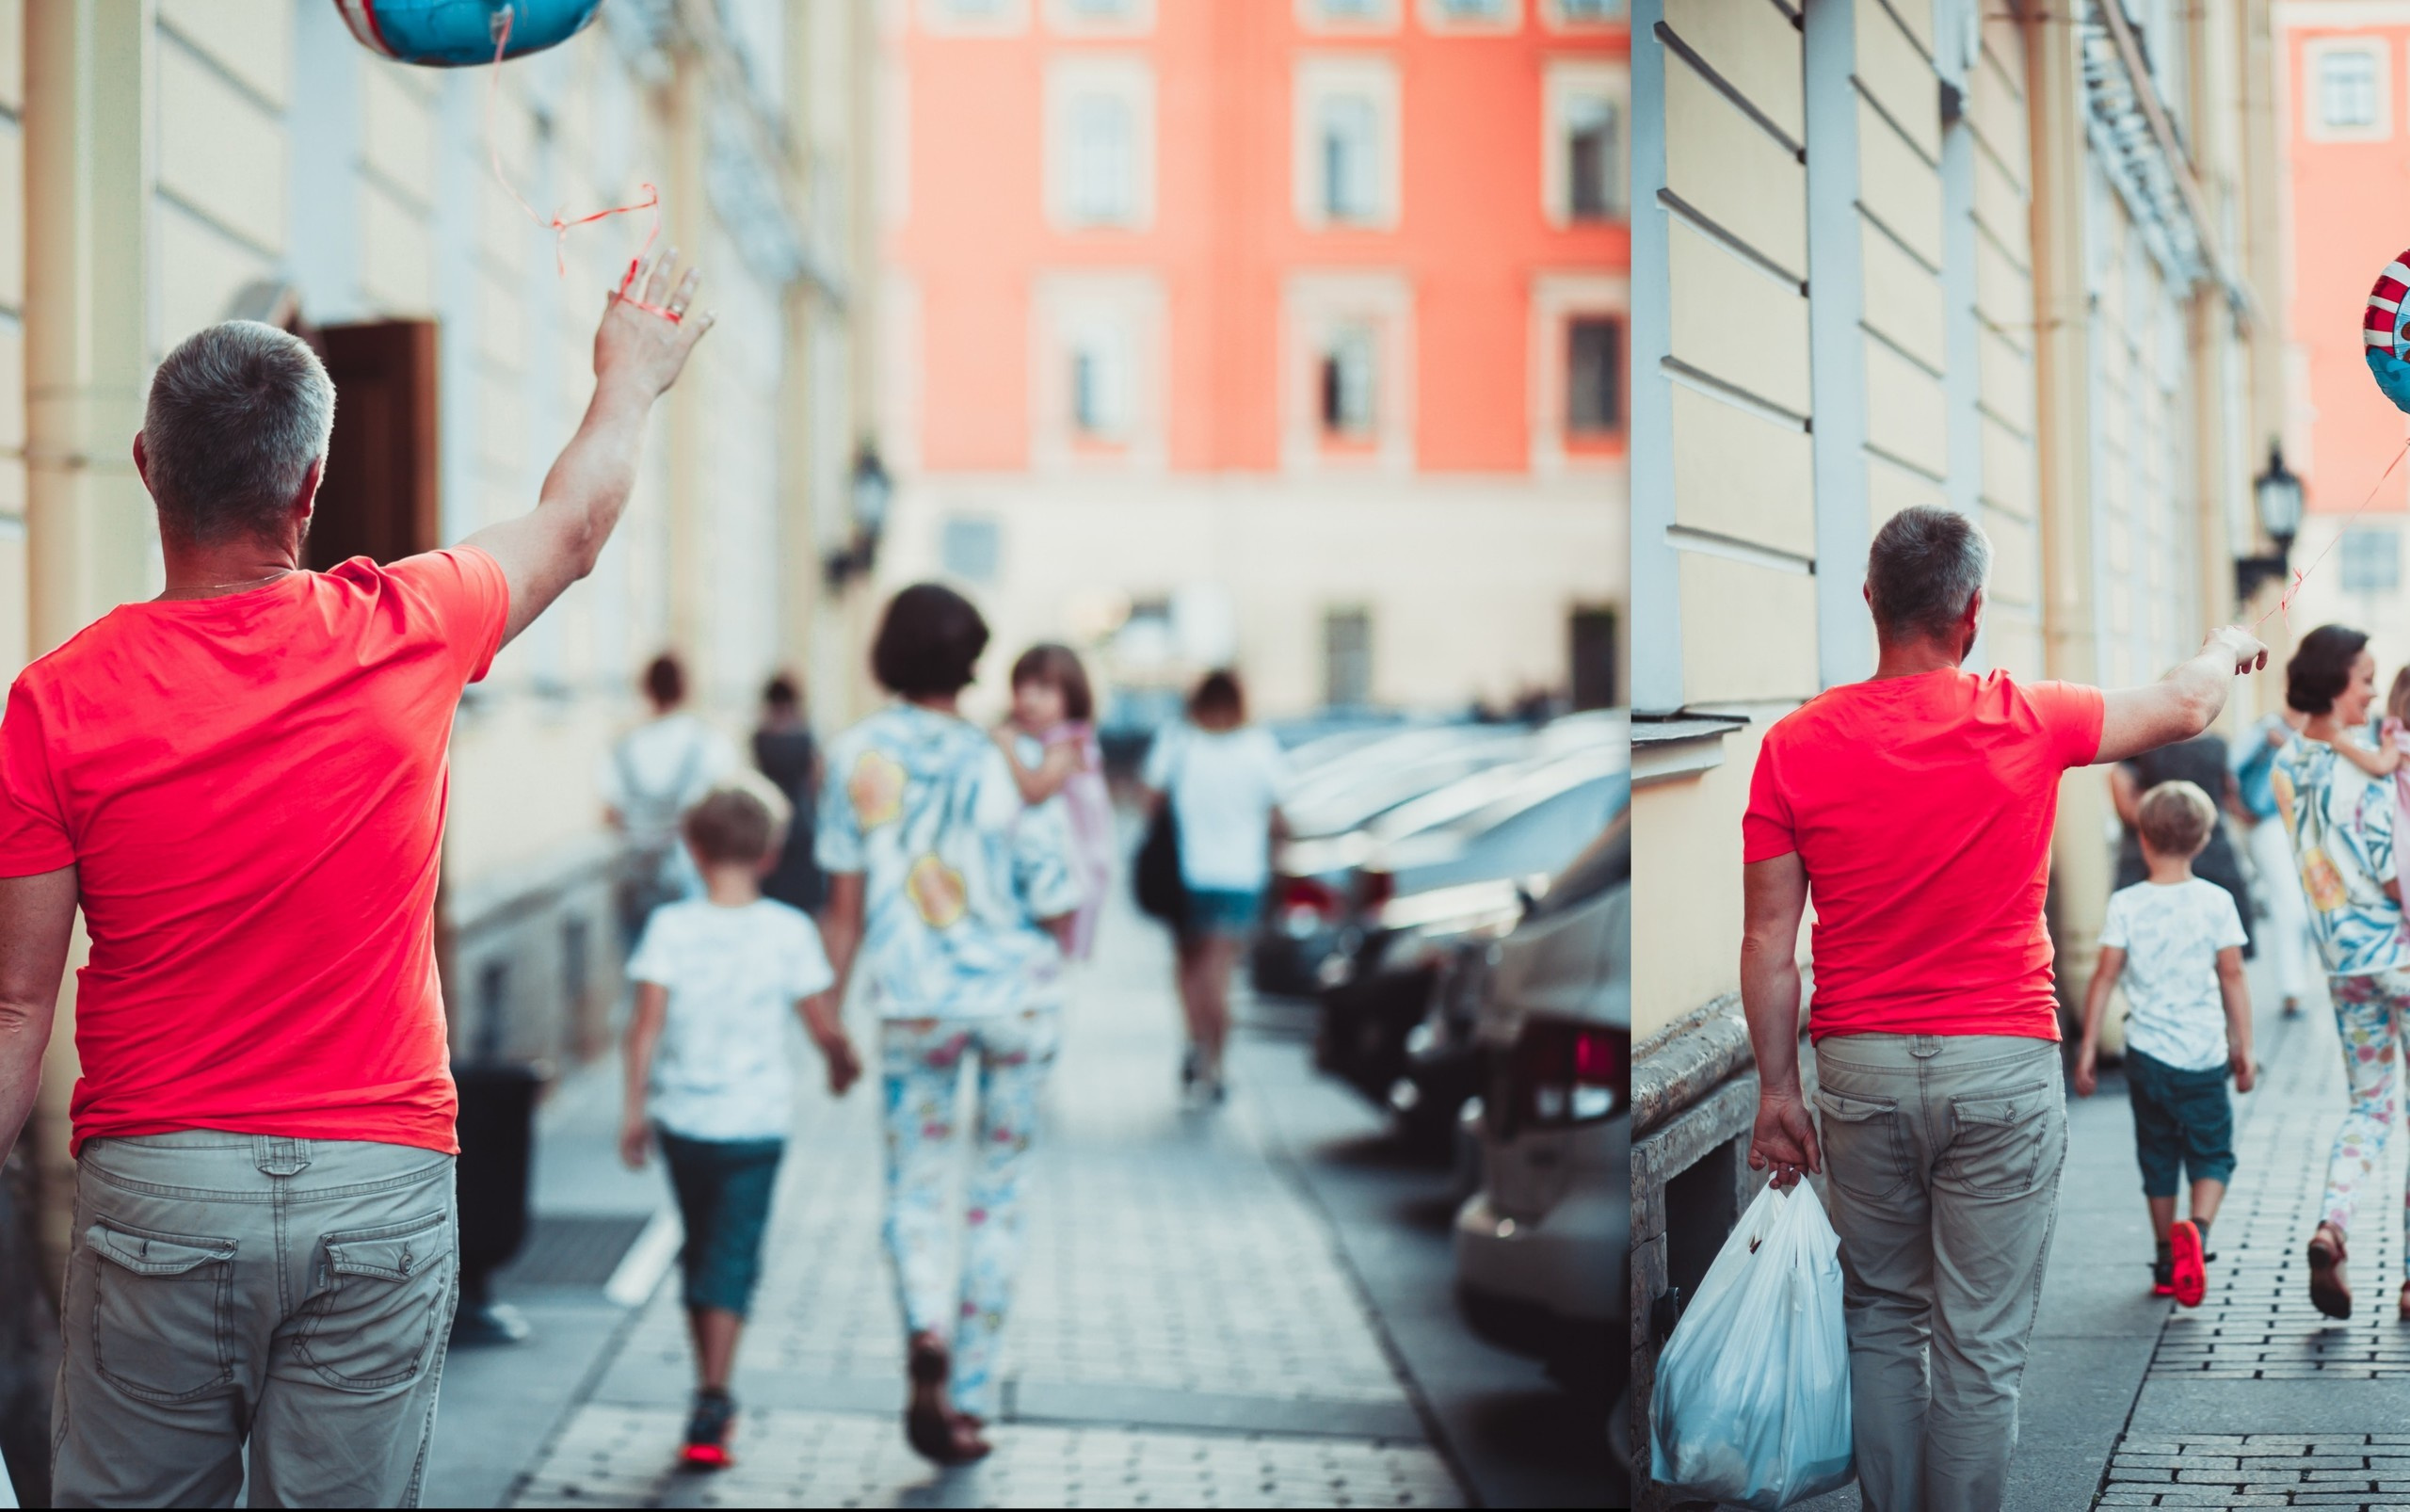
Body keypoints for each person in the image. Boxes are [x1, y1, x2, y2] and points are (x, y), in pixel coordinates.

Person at [0, 256, 714, 1504]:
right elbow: (574, 526)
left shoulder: (59, 698)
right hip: (375, 1179)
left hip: (163, 1178)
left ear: (146, 467)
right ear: (312, 487)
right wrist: (628, 377)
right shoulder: (409, 627)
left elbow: (16, 1005)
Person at [1740, 506, 2266, 1512]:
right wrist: (2226, 644)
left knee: (1884, 1318)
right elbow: (2183, 707)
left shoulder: (1793, 745)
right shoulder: (2027, 714)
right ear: (1971, 611)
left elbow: (1768, 940)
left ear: (1869, 603)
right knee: (1978, 1346)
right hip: (2000, 1060)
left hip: (1859, 1066)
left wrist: (1774, 1090)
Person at [813, 584, 1083, 1467]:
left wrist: (827, 1021)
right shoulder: (1007, 755)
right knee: (998, 1198)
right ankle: (967, 1399)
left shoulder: (854, 755)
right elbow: (1055, 891)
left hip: (913, 1007)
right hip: (1016, 1006)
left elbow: (843, 911)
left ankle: (925, 1324)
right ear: (969, 662)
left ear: (887, 654)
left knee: (914, 1191)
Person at [618, 779, 853, 1470]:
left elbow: (643, 1029)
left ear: (692, 850)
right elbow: (823, 1025)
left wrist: (634, 1108)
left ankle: (708, 1386)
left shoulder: (670, 928)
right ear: (772, 854)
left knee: (702, 1247)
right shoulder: (788, 932)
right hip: (756, 1126)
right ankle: (715, 1394)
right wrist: (843, 1061)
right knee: (733, 1254)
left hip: (685, 1121)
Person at [2073, 780, 2256, 1309]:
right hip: (2202, 1055)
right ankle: (2196, 1232)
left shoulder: (2126, 904)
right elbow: (2234, 978)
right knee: (2212, 1151)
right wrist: (2245, 1046)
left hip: (2146, 1056)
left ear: (2145, 840)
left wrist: (2086, 1049)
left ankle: (2162, 1260)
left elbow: (2105, 977)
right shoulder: (2216, 902)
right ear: (2201, 841)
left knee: (2157, 1153)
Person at [2273, 625, 2410, 1322]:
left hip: (2343, 963)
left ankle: (2333, 1226)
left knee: (2371, 1109)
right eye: (2364, 678)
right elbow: (2394, 875)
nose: (2372, 690)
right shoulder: (2369, 770)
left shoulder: (2288, 763)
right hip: (2402, 956)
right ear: (2335, 683)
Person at [1138, 670, 1288, 1102]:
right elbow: (1279, 817)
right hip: (1242, 877)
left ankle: (1194, 1042)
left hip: (1188, 875)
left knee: (1190, 970)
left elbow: (1149, 801)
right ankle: (1216, 1064)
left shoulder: (1179, 740)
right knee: (1219, 974)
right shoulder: (1259, 746)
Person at [603, 651, 738, 952]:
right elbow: (723, 808)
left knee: (639, 967)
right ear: (685, 688)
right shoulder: (708, 744)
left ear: (646, 689)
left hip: (634, 875)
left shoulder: (623, 746)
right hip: (689, 870)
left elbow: (610, 813)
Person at [993, 644, 1114, 960]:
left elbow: (1036, 790)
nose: (1028, 700)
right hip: (1070, 857)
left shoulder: (1066, 742)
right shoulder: (1053, 739)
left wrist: (1007, 747)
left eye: (1044, 689)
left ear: (1071, 695)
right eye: (1022, 688)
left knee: (1050, 944)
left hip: (1075, 860)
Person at [2109, 732, 2254, 961]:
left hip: (2162, 854)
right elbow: (2231, 797)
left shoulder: (2136, 750)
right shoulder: (2216, 747)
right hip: (2197, 853)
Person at [2233, 705, 2314, 1016]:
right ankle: (2292, 988)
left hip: (2303, 825)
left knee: (2303, 907)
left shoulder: (2313, 730)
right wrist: (2240, 811)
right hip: (2269, 824)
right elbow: (2230, 768)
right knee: (2290, 907)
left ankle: (2296, 986)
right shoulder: (2266, 728)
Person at [751, 672, 825, 914]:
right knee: (804, 901)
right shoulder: (804, 736)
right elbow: (816, 781)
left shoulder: (760, 737)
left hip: (771, 822)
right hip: (802, 822)